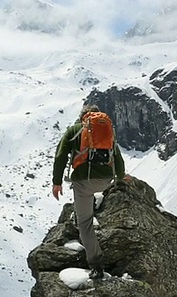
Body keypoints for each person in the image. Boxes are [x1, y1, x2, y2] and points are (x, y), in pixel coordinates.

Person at [51, 104, 127, 280]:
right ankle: (97, 202)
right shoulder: (108, 131)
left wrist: (57, 182)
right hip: (106, 181)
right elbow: (117, 156)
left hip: (84, 184)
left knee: (84, 223)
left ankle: (96, 264)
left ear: (82, 117)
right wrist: (121, 178)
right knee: (95, 197)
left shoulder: (75, 130)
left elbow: (61, 156)